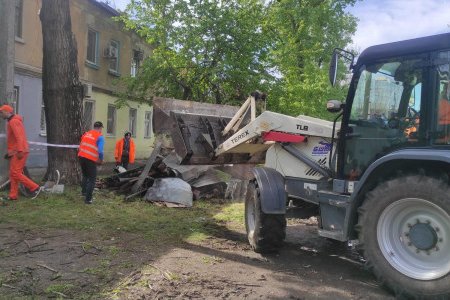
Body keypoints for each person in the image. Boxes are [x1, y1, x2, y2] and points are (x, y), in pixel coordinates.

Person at [0, 104, 41, 200]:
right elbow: (15, 139)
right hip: (16, 151)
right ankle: (13, 195)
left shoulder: (13, 122)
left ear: (7, 112)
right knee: (13, 173)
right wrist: (10, 153)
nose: (0, 115)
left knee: (15, 173)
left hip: (19, 151)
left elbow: (20, 137)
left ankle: (35, 187)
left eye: (1, 113)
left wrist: (20, 150)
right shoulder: (12, 121)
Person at [78, 121, 104, 204]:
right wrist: (100, 159)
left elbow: (82, 143)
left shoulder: (86, 133)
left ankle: (84, 192)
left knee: (85, 175)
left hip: (81, 156)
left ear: (94, 127)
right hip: (90, 159)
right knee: (92, 179)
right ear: (100, 128)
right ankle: (88, 199)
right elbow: (100, 151)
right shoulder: (100, 137)